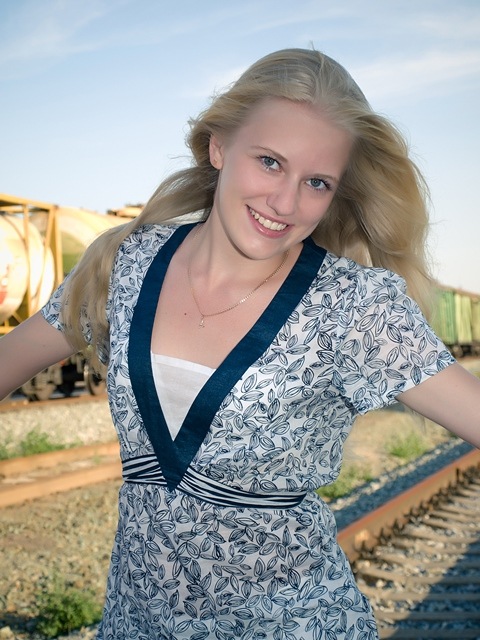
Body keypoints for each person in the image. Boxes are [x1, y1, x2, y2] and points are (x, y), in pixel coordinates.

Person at [1, 47, 479, 640]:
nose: (286, 203)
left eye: (317, 182)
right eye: (270, 162)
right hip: (136, 624)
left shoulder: (354, 306)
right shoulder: (125, 265)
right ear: (219, 146)